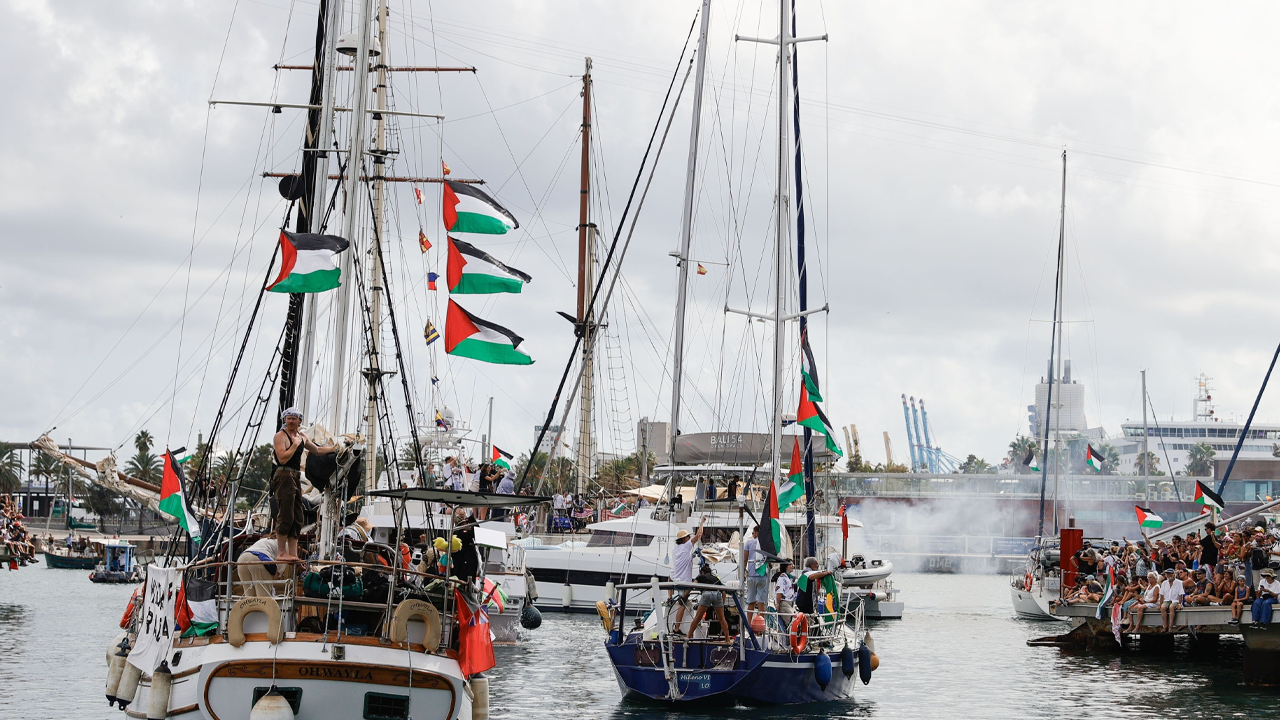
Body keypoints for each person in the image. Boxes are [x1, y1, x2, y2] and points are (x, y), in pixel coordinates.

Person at [272, 407, 336, 562]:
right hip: (284, 474)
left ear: (299, 420)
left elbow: (317, 450)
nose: (291, 421)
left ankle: (292, 553)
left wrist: (334, 449)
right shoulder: (280, 436)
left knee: (297, 516)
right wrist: (294, 445)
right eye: (288, 418)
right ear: (285, 420)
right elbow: (282, 459)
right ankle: (281, 553)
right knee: (286, 514)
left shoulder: (302, 436)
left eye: (294, 419)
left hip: (294, 476)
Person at [670, 517, 707, 632]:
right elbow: (699, 535)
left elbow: (684, 558)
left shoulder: (676, 549)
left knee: (682, 601)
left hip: (676, 579)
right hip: (684, 582)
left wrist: (692, 555)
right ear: (684, 539)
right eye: (688, 537)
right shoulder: (686, 546)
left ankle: (669, 598)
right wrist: (702, 522)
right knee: (682, 604)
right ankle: (677, 628)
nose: (689, 538)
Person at [686, 563, 732, 643]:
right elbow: (723, 592)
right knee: (722, 618)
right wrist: (722, 604)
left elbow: (692, 586)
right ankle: (727, 639)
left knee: (697, 618)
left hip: (706, 594)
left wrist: (685, 595)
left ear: (702, 572)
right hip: (717, 594)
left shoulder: (701, 576)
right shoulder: (715, 578)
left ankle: (688, 637)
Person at [741, 525, 767, 621]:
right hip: (762, 575)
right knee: (761, 602)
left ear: (756, 533)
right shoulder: (765, 543)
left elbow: (745, 559)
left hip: (751, 575)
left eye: (753, 533)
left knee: (751, 602)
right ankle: (762, 624)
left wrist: (743, 573)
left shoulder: (749, 543)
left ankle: (748, 623)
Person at [1158, 567, 1185, 632]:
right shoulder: (1164, 583)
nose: (1168, 575)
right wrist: (1160, 604)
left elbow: (1180, 594)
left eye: (1169, 574)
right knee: (1163, 607)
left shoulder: (1179, 582)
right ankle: (1165, 626)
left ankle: (1171, 626)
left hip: (1175, 600)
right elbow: (1161, 595)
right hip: (1167, 600)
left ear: (1173, 574)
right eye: (1167, 574)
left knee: (1171, 607)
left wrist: (1179, 604)